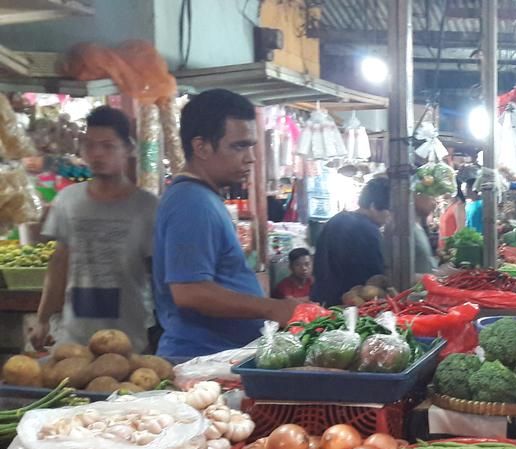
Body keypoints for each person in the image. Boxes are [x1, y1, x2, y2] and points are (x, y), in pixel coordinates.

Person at [153, 89, 299, 357]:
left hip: (216, 358)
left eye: (251, 146)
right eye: (239, 146)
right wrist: (272, 308)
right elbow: (190, 292)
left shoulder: (201, 198)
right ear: (201, 147)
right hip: (199, 362)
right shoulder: (191, 202)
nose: (251, 157)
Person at [31, 107, 157, 353]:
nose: (97, 153)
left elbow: (160, 273)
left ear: (128, 149)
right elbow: (59, 263)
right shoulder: (67, 201)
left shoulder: (148, 207)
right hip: (75, 338)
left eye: (108, 146)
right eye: (90, 145)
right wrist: (42, 319)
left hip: (131, 338)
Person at [312, 177, 392, 306]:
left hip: (322, 303)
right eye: (388, 211)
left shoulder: (335, 220)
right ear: (373, 206)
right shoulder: (369, 230)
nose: (389, 218)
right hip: (350, 307)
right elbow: (375, 281)